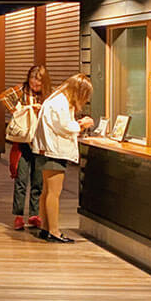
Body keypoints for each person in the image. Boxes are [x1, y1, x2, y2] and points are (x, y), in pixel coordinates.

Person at [33, 73, 95, 243]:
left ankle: (45, 228)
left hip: (46, 150)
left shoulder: (55, 99)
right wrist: (82, 124)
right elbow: (64, 127)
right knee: (54, 193)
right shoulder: (61, 102)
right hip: (55, 151)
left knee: (46, 192)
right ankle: (54, 231)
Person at [10, 64, 50, 231]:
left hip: (41, 143)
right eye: (32, 82)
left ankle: (34, 214)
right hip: (23, 142)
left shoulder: (50, 95)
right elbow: (6, 101)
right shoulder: (20, 91)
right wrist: (26, 108)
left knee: (38, 180)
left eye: (38, 84)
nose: (35, 86)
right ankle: (18, 215)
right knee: (21, 179)